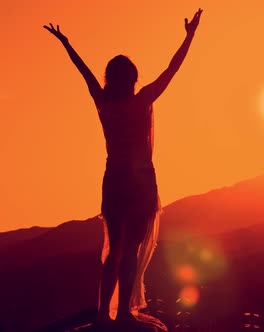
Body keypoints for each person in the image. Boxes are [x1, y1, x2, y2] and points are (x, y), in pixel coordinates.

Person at [43, 8, 203, 324]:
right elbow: (172, 69)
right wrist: (189, 36)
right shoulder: (142, 100)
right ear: (133, 78)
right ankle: (125, 315)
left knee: (115, 249)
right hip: (142, 181)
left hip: (115, 179)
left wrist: (65, 42)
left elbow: (83, 72)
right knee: (129, 250)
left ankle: (105, 313)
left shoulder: (104, 102)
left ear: (109, 79)